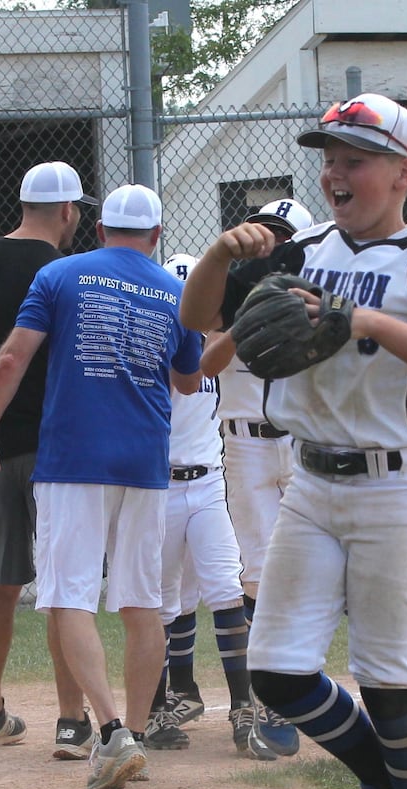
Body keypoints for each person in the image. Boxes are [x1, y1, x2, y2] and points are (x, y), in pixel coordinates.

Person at [181, 92, 407, 789]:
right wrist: (218, 254)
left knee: (391, 684)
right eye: (329, 154)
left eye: (355, 156)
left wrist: (362, 320)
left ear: (403, 172)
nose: (335, 170)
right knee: (278, 677)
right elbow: (195, 323)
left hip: (397, 488)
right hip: (309, 482)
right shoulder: (300, 250)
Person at [0, 183, 203, 789]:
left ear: (99, 230)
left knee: (70, 594)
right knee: (140, 601)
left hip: (73, 457)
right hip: (146, 461)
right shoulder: (176, 292)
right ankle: (140, 733)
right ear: (155, 236)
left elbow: (14, 359)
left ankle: (111, 730)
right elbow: (187, 380)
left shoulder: (62, 275)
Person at [0, 161, 95, 756]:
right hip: (58, 449)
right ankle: (71, 721)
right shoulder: (66, 272)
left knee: (1, 579)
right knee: (62, 586)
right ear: (66, 212)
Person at [145, 252, 296, 761]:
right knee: (166, 599)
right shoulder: (159, 348)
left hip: (209, 481)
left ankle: (242, 705)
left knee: (227, 587)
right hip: (161, 485)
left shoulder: (224, 346)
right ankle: (169, 698)